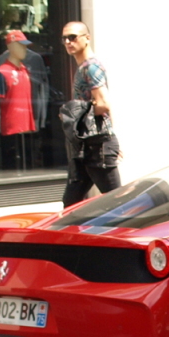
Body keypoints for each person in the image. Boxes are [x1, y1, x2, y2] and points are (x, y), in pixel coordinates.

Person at [61, 21, 121, 207]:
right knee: (71, 202)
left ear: (87, 38)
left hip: (98, 146)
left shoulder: (91, 67)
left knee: (117, 203)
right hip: (87, 146)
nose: (68, 42)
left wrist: (72, 116)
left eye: (72, 37)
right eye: (64, 38)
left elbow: (103, 104)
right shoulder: (83, 67)